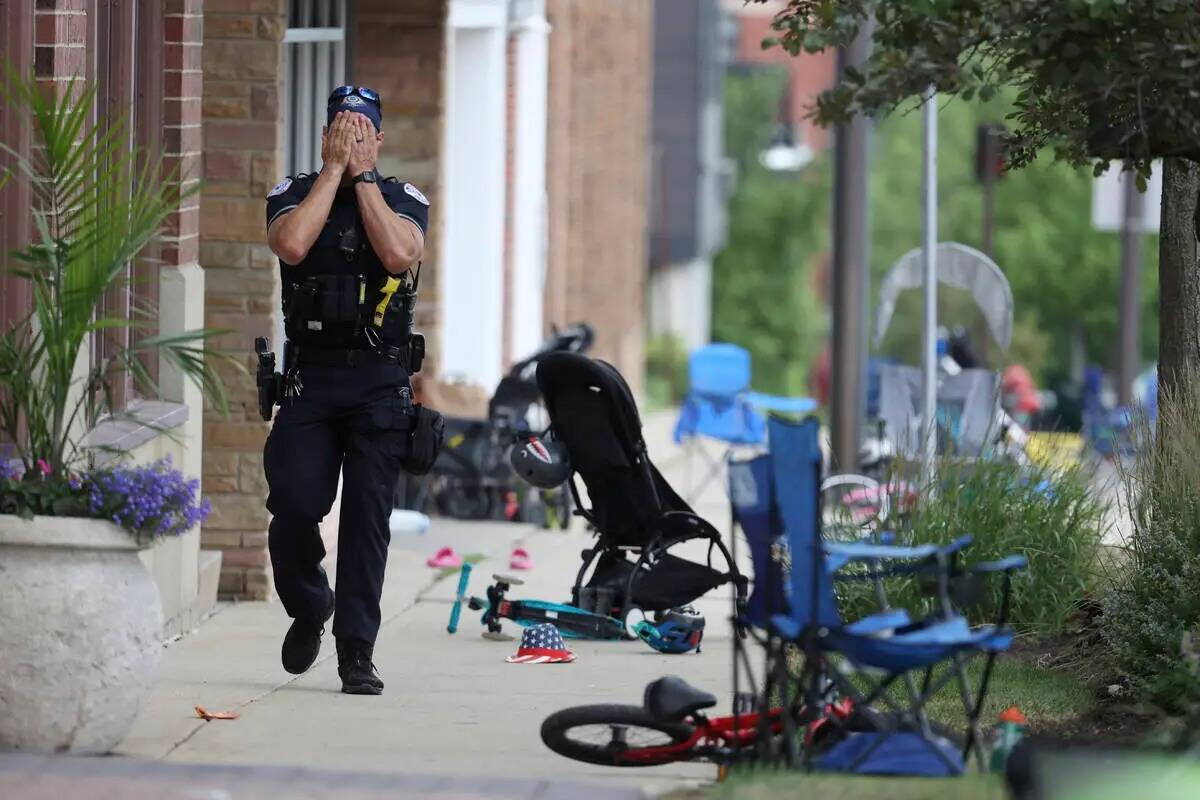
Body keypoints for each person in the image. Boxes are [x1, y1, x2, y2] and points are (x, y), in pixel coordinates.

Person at [262, 86, 429, 695]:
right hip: (311, 379)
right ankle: (310, 606)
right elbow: (292, 245)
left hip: (379, 383)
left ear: (380, 140)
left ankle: (357, 652)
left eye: (364, 130)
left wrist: (362, 178)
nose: (354, 137)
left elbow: (395, 253)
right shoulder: (293, 193)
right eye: (343, 128)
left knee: (367, 523)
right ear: (326, 133)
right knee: (294, 508)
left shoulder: (401, 199)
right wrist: (334, 171)